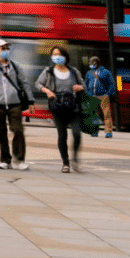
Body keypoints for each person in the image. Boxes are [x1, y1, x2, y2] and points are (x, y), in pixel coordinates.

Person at [0, 38, 34, 170]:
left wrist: (30, 100)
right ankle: (5, 160)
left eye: (6, 48)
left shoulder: (15, 66)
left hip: (15, 103)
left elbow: (24, 83)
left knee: (18, 130)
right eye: (2, 48)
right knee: (0, 132)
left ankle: (19, 159)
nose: (5, 51)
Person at [37, 45, 86, 173]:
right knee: (62, 135)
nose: (57, 57)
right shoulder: (48, 71)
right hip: (57, 107)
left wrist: (80, 87)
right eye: (54, 55)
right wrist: (47, 91)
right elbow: (38, 84)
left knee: (77, 134)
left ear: (65, 56)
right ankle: (66, 163)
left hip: (73, 106)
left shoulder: (74, 71)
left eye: (59, 54)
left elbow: (83, 84)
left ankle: (75, 159)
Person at [85, 56, 117, 138]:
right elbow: (86, 84)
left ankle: (108, 132)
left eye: (92, 63)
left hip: (103, 96)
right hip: (93, 96)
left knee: (107, 114)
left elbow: (112, 84)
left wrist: (108, 94)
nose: (90, 65)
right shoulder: (89, 73)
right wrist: (89, 94)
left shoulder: (105, 72)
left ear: (97, 63)